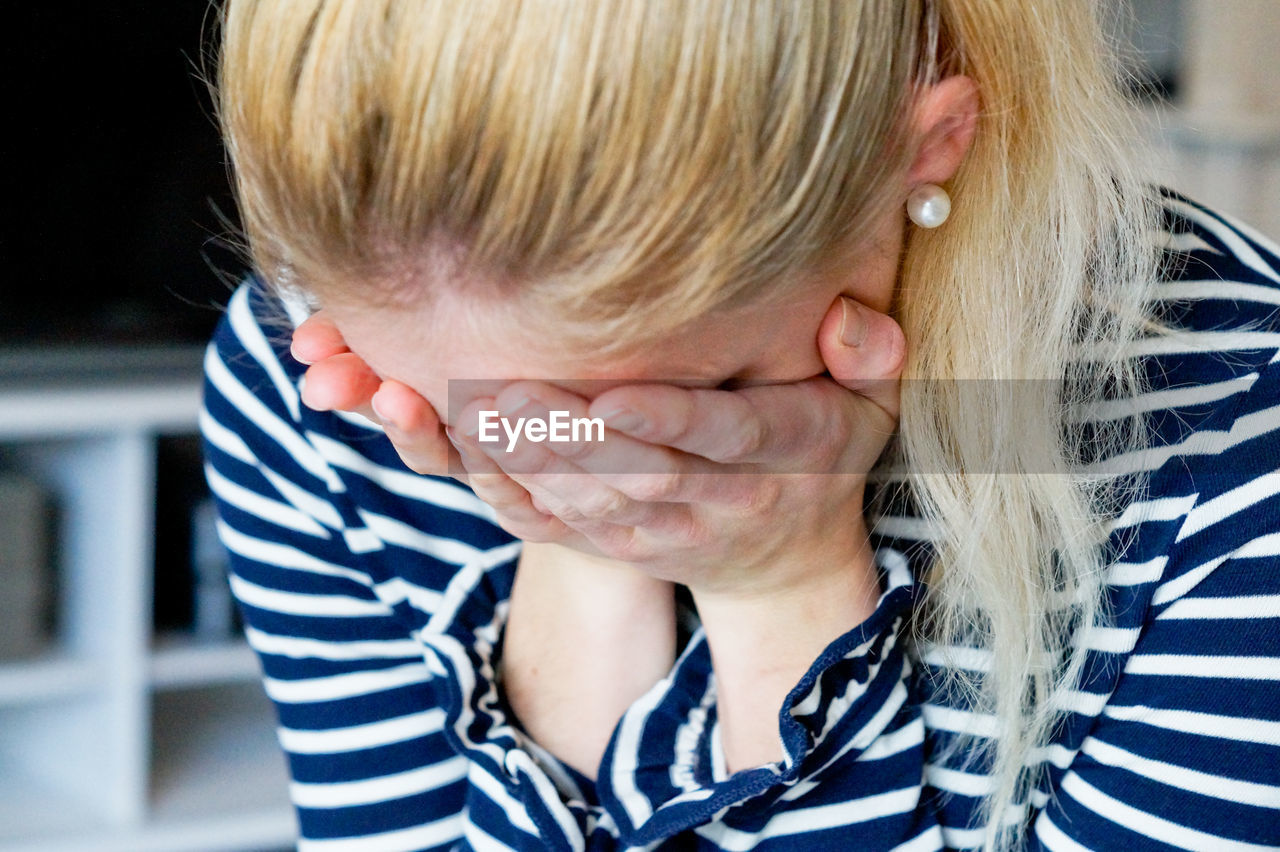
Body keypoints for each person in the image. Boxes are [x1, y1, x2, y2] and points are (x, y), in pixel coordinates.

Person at [202, 1, 1280, 849]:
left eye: (688, 407)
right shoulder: (312, 385)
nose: (570, 458)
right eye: (469, 416)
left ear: (932, 145)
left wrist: (782, 589)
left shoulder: (1235, 451)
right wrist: (579, 562)